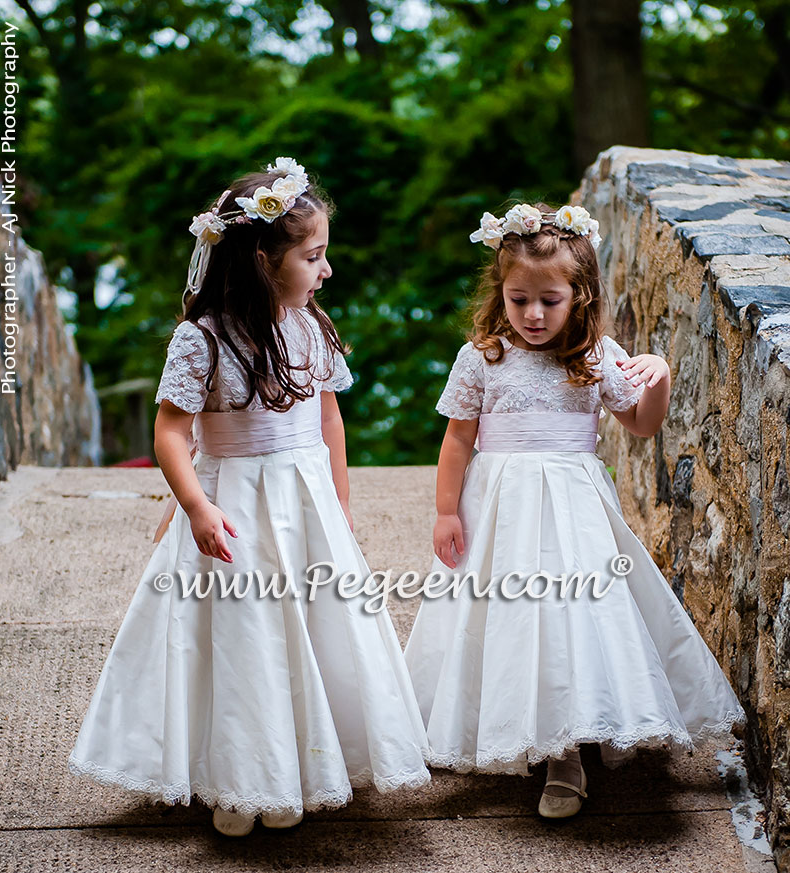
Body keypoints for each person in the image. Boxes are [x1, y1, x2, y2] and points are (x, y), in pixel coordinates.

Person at [68, 158, 430, 837]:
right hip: (234, 505)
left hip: (304, 505)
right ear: (265, 259)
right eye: (314, 255)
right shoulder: (201, 339)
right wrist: (197, 508)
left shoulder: (311, 328)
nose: (326, 270)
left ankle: (296, 763)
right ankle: (238, 775)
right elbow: (172, 433)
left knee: (312, 631)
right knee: (243, 637)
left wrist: (340, 507)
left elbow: (328, 420)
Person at [403, 201, 745, 819]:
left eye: (550, 300)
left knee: (570, 617)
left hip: (573, 508)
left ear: (579, 296)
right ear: (500, 294)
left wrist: (659, 374)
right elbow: (457, 439)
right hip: (498, 507)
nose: (533, 314)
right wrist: (447, 513)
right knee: (500, 615)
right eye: (518, 299)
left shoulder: (595, 357)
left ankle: (567, 754)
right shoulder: (482, 357)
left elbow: (641, 424)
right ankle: (490, 722)